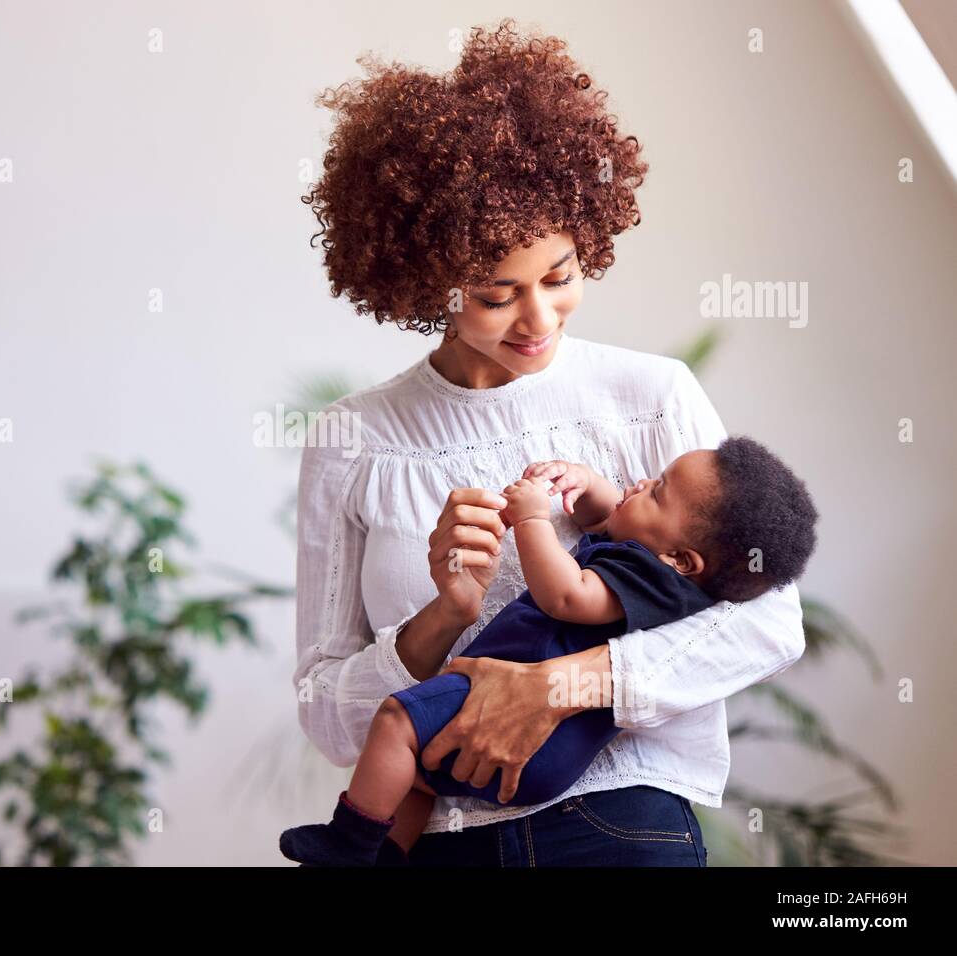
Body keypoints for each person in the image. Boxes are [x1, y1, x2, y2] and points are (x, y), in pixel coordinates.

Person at [291, 20, 808, 867]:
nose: (538, 320)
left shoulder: (652, 397)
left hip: (618, 825)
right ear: (427, 280)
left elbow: (769, 624)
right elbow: (324, 713)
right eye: (496, 295)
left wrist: (557, 688)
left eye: (561, 277)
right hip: (438, 842)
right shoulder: (354, 440)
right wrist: (443, 617)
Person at [282, 439, 817, 865]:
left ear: (681, 559)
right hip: (544, 763)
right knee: (419, 773)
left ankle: (349, 843)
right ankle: (391, 853)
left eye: (657, 492)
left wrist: (535, 518)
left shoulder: (648, 578)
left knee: (398, 719)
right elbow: (612, 515)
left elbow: (566, 594)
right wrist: (586, 484)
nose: (641, 482)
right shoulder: (661, 567)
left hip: (560, 769)